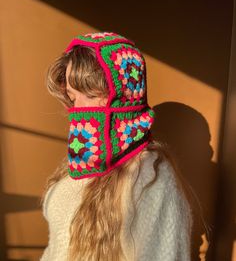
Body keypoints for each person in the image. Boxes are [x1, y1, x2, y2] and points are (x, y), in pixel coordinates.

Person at [39, 32, 193, 261]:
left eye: (89, 94)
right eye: (72, 96)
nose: (77, 108)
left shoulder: (152, 180)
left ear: (124, 97)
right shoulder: (77, 166)